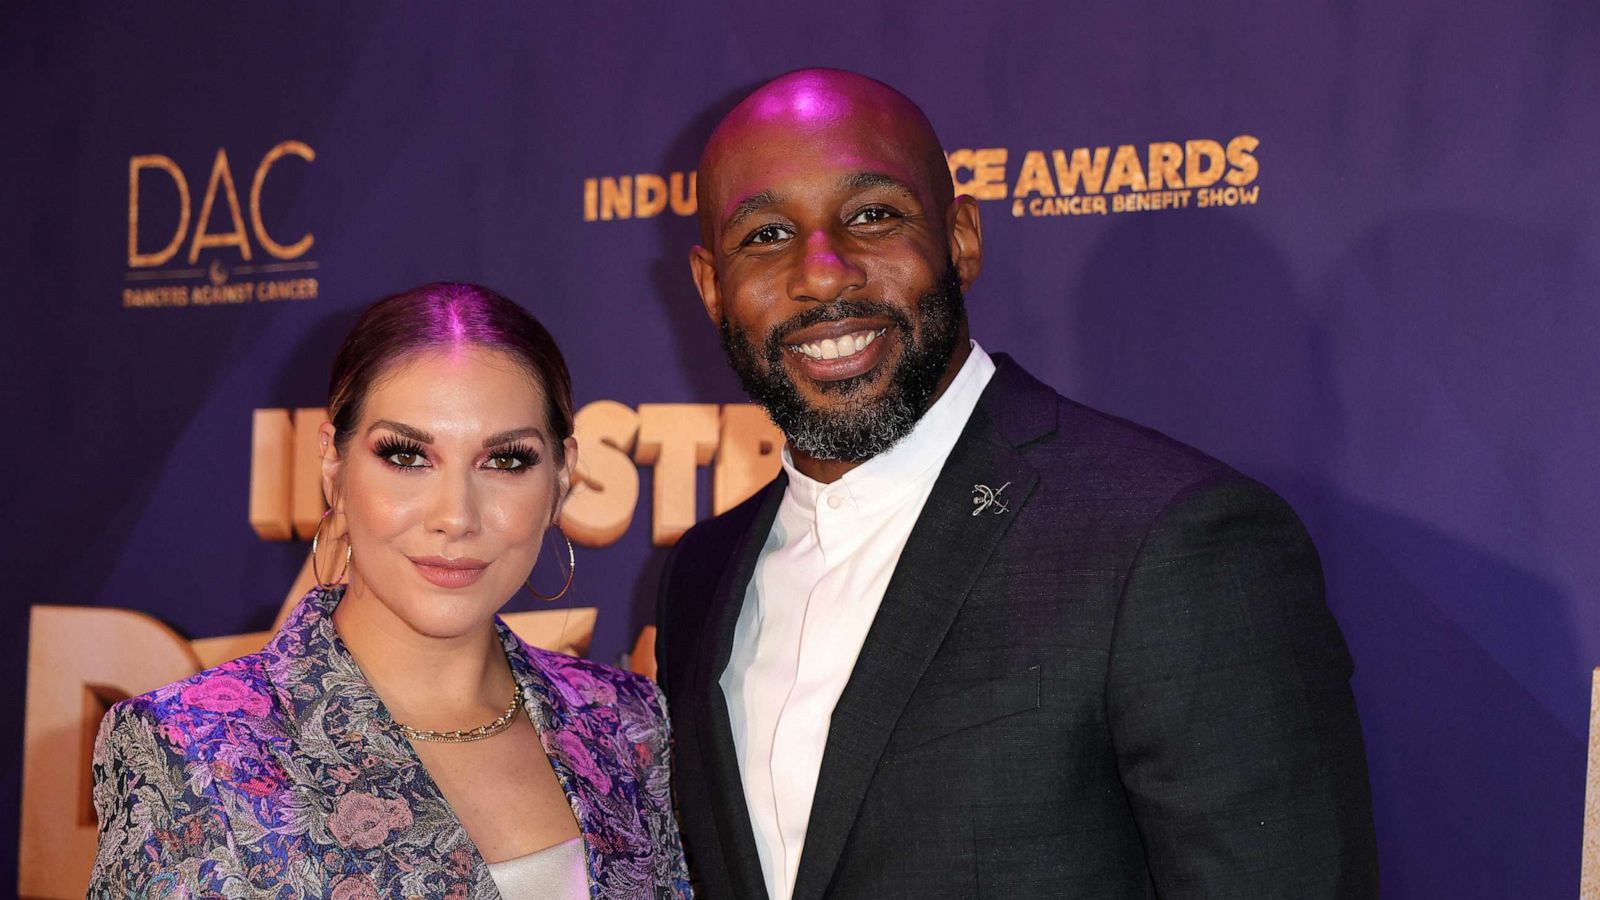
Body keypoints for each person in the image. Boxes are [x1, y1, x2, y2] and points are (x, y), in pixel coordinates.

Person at [655, 69, 1379, 899]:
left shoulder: (1168, 541)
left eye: (873, 215)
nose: (823, 274)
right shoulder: (701, 576)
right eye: (767, 235)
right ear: (712, 286)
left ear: (961, 237)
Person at [91, 283, 691, 899]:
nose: (456, 516)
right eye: (407, 457)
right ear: (334, 466)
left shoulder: (626, 722)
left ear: (561, 477)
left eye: (505, 461)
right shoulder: (192, 750)